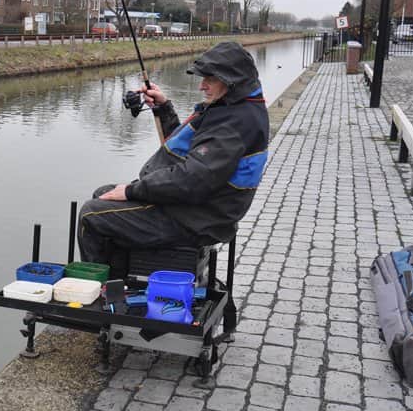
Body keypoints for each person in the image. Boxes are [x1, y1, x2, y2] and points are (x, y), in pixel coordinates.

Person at [77, 41, 269, 268]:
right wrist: (163, 108)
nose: (202, 86)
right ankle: (123, 278)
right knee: (104, 194)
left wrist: (132, 190)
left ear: (231, 81)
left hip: (198, 219)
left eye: (210, 79)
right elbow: (190, 151)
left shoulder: (235, 122)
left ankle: (102, 288)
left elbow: (193, 179)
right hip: (199, 208)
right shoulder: (233, 107)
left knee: (91, 215)